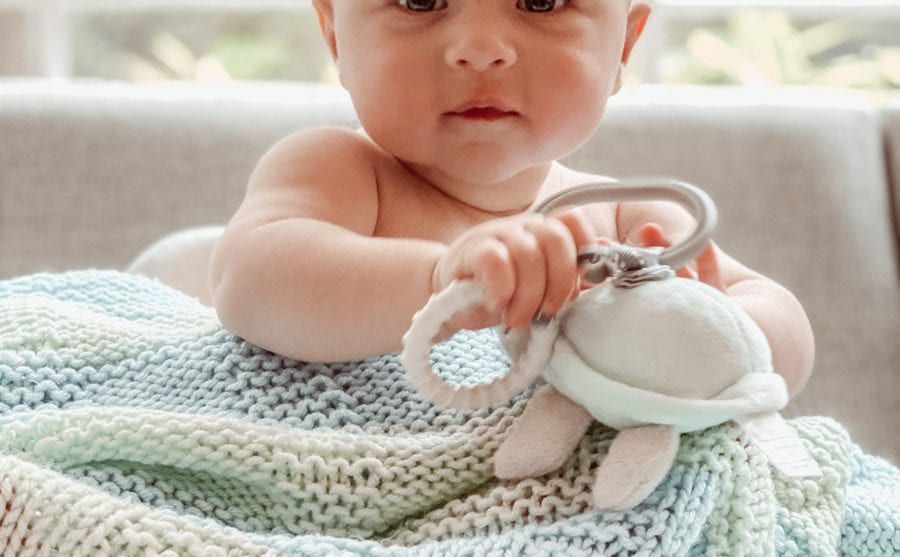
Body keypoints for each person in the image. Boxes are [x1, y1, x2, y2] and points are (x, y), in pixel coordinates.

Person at [132, 0, 815, 396]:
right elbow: (252, 283)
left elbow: (780, 325)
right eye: (421, 0)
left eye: (541, 1)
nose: (480, 48)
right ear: (335, 32)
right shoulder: (338, 174)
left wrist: (700, 323)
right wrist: (439, 281)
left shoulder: (628, 220)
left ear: (624, 46)